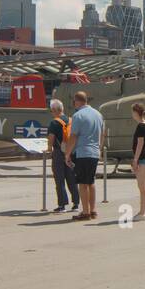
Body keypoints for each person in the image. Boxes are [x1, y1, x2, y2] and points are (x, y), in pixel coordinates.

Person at [63, 90, 104, 221]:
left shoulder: (78, 115)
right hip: (94, 152)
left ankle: (85, 212)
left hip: (83, 152)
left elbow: (73, 136)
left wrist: (67, 154)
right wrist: (99, 149)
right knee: (91, 182)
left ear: (77, 101)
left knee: (82, 183)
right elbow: (102, 134)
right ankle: (93, 210)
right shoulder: (98, 114)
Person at [46, 99, 78, 212]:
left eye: (51, 110)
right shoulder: (71, 120)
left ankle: (62, 205)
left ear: (55, 110)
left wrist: (49, 148)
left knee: (59, 179)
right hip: (71, 152)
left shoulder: (54, 122)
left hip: (59, 153)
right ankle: (76, 204)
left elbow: (51, 137)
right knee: (72, 178)